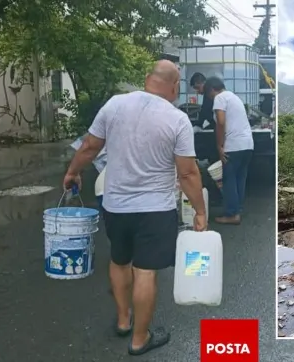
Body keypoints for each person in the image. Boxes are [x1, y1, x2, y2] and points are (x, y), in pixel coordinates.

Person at [62, 60, 207, 356]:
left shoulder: (115, 105)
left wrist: (72, 171)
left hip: (115, 205)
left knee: (119, 261)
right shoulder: (177, 119)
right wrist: (201, 211)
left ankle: (123, 319)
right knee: (146, 273)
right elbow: (188, 173)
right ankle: (140, 339)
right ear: (175, 86)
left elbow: (89, 147)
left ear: (147, 79)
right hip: (155, 209)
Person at [204, 76, 253, 225]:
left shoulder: (220, 98)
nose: (209, 98)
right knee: (240, 178)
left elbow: (220, 121)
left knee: (229, 179)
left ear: (212, 89)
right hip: (247, 144)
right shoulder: (234, 97)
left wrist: (219, 145)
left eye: (208, 94)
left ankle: (232, 214)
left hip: (233, 145)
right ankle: (237, 209)